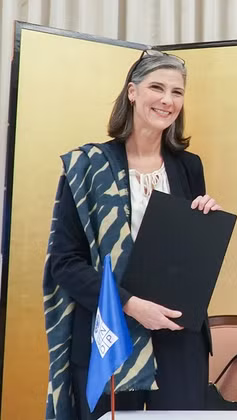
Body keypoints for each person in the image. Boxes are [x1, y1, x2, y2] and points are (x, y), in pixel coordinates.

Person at [43, 50, 222, 420]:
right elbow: (65, 263)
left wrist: (206, 224)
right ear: (132, 92)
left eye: (177, 92)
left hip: (177, 335)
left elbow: (187, 259)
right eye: (156, 87)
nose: (167, 100)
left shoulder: (189, 166)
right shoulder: (88, 166)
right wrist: (130, 304)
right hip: (109, 335)